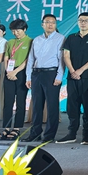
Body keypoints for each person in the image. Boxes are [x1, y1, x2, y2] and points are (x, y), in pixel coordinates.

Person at [59, 12, 88, 144]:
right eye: (80, 20)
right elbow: (66, 55)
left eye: (86, 20)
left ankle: (86, 135)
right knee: (72, 106)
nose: (83, 23)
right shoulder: (71, 37)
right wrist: (73, 71)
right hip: (72, 77)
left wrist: (81, 70)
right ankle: (71, 134)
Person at [24, 14, 65, 143]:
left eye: (53, 22)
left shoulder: (60, 38)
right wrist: (28, 77)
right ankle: (35, 133)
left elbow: (62, 59)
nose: (50, 24)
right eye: (47, 22)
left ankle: (49, 135)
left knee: (52, 106)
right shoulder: (37, 40)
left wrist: (59, 76)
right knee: (36, 105)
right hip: (36, 74)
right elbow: (31, 59)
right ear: (42, 24)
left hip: (51, 74)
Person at [0, 19, 33, 141]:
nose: (15, 33)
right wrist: (8, 72)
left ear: (24, 29)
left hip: (22, 72)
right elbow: (6, 57)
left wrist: (15, 72)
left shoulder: (30, 41)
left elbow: (28, 60)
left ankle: (17, 128)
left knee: (21, 102)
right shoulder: (10, 42)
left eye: (18, 30)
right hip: (9, 72)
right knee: (8, 102)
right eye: (13, 31)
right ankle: (6, 128)